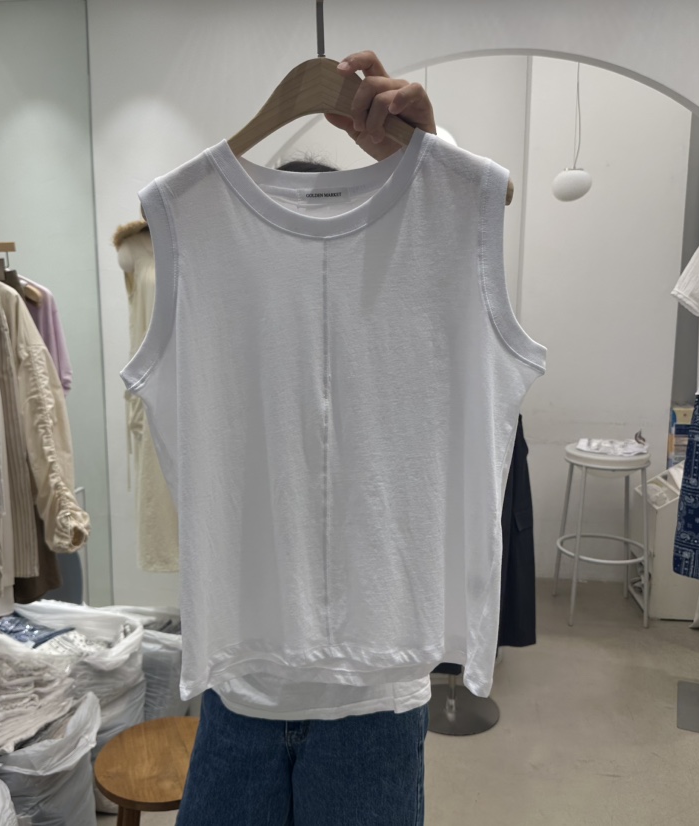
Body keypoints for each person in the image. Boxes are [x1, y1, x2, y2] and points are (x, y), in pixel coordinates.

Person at [176, 51, 438, 826]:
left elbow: (462, 242)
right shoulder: (201, 250)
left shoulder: (418, 272)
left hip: (373, 694)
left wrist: (431, 157)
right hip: (242, 682)